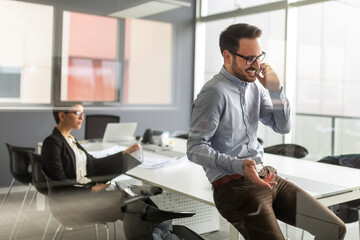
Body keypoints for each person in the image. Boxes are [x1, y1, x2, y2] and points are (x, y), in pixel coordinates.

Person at [187, 23, 346, 240]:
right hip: (236, 187)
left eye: (259, 56)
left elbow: (282, 127)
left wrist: (275, 91)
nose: (257, 65)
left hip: (268, 177)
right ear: (227, 56)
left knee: (334, 228)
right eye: (249, 58)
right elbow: (195, 148)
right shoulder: (213, 93)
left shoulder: (255, 87)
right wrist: (239, 166)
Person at [41, 102, 140, 222]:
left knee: (135, 196)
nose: (82, 117)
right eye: (77, 113)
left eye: (83, 114)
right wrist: (94, 190)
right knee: (131, 202)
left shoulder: (71, 140)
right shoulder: (52, 143)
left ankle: (157, 231)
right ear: (62, 116)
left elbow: (94, 163)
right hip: (73, 201)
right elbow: (60, 183)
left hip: (85, 193)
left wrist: (125, 153)